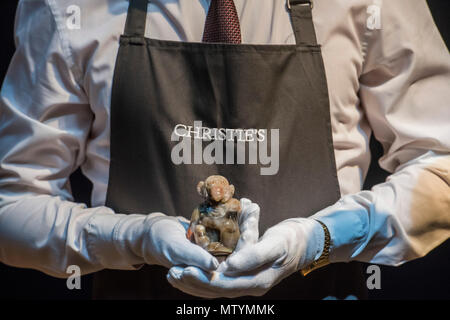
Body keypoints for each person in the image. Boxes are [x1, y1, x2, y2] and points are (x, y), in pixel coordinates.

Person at [0, 0, 449, 300]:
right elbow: (12, 204)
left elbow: (441, 166)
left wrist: (317, 240)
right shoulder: (68, 8)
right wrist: (130, 238)